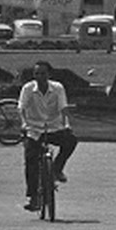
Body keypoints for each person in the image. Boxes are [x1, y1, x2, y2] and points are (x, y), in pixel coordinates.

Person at [17, 60, 78, 211]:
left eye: (43, 74)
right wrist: (24, 124)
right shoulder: (28, 89)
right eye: (37, 74)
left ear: (49, 75)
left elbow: (63, 109)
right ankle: (33, 197)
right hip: (34, 129)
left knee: (71, 141)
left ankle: (57, 168)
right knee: (30, 160)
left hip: (53, 127)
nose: (40, 77)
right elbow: (22, 109)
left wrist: (66, 125)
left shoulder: (57, 88)